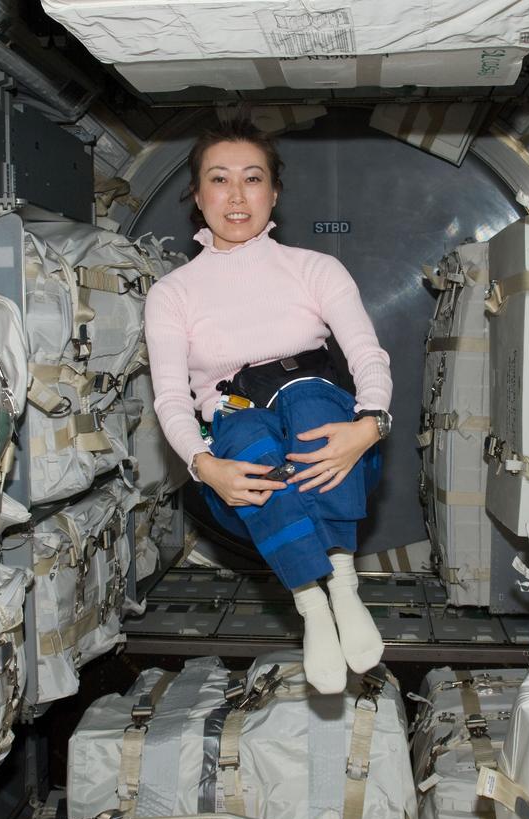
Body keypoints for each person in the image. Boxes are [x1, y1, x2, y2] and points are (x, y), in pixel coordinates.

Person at [144, 117, 394, 694]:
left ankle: (343, 584)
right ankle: (310, 603)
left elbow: (367, 356)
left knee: (308, 402)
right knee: (249, 433)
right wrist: (204, 465)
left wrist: (369, 425)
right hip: (242, 454)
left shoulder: (314, 268)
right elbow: (170, 399)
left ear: (273, 191)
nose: (236, 196)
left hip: (335, 440)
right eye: (219, 179)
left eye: (252, 178)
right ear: (197, 195)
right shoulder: (173, 293)